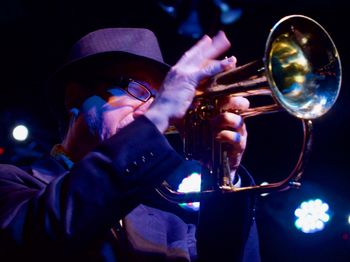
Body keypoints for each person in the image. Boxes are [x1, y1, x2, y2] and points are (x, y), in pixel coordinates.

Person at [0, 28, 260, 261]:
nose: (148, 110)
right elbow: (37, 237)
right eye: (137, 89)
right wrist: (161, 111)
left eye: (158, 97)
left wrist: (222, 173)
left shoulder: (174, 228)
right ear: (74, 96)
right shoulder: (11, 184)